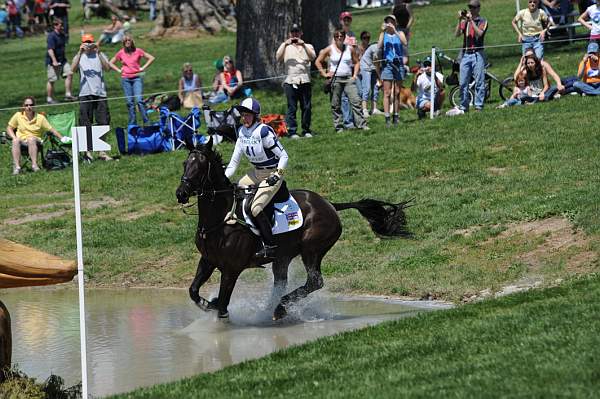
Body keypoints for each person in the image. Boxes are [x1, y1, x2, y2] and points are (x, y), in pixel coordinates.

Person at [224, 98, 289, 258]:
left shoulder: (264, 131)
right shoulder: (241, 132)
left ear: (255, 116)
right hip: (257, 172)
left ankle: (270, 246)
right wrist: (222, 178)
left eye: (247, 115)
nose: (244, 118)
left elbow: (284, 156)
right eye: (243, 115)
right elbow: (233, 163)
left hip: (272, 173)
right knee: (235, 191)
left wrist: (278, 174)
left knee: (256, 207)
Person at [315, 29, 369, 133]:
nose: (339, 38)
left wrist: (354, 75)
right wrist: (324, 73)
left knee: (356, 101)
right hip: (336, 79)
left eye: (341, 36)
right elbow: (318, 61)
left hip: (348, 78)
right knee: (336, 104)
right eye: (337, 36)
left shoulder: (349, 49)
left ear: (344, 37)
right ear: (334, 38)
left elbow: (357, 62)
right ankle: (338, 126)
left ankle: (361, 124)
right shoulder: (330, 49)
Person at [72, 33, 112, 161]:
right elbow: (72, 70)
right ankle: (88, 152)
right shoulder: (79, 57)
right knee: (85, 122)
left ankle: (102, 151)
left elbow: (107, 68)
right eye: (86, 42)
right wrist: (79, 52)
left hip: (100, 93)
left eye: (90, 42)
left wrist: (99, 52)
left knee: (103, 121)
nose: (88, 44)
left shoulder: (99, 54)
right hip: (85, 93)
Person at [6, 96, 68, 175]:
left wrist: (62, 138)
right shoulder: (18, 115)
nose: (29, 107)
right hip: (21, 141)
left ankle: (34, 165)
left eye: (31, 105)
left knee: (31, 139)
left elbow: (51, 129)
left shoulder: (40, 118)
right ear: (23, 106)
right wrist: (14, 137)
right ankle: (17, 167)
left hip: (35, 141)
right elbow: (9, 128)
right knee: (15, 140)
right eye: (26, 105)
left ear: (34, 106)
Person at [276, 23, 316, 139]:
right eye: (293, 32)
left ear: (301, 33)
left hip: (305, 80)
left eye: (297, 32)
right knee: (292, 107)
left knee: (306, 107)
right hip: (290, 81)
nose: (295, 34)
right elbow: (277, 57)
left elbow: (313, 56)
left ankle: (306, 129)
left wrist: (303, 45)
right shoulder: (286, 47)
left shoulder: (308, 46)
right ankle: (292, 131)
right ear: (290, 34)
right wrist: (285, 43)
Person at [109, 34, 155, 125]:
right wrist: (119, 70)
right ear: (123, 43)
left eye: (129, 40)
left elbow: (151, 58)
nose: (127, 42)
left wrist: (143, 68)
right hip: (126, 79)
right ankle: (133, 122)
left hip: (137, 78)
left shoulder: (138, 51)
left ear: (132, 41)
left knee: (139, 100)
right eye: (125, 41)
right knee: (129, 102)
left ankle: (146, 120)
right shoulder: (121, 52)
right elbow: (111, 62)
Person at [451, 0, 487, 114]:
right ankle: (464, 106)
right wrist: (460, 20)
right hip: (466, 54)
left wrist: (471, 21)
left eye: (474, 7)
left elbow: (479, 34)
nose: (471, 9)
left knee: (479, 81)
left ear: (478, 8)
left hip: (478, 53)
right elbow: (456, 34)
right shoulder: (465, 22)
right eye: (470, 7)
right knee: (463, 82)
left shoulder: (482, 21)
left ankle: (479, 106)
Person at [378, 14, 407, 126]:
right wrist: (381, 31)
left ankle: (396, 116)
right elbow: (379, 46)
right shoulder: (383, 35)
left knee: (397, 92)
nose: (389, 23)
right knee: (387, 92)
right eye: (387, 21)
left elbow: (404, 43)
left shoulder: (399, 33)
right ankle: (387, 118)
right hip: (388, 64)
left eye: (392, 21)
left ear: (395, 23)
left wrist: (394, 31)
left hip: (399, 64)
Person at [46, 18, 75, 104]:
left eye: (62, 24)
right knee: (52, 80)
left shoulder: (62, 35)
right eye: (60, 25)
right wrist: (54, 61)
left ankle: (68, 95)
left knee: (69, 73)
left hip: (63, 60)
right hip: (53, 62)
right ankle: (49, 99)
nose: (62, 26)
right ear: (55, 26)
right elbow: (50, 49)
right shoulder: (51, 36)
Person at [339, 11, 357, 128]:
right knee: (344, 97)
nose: (346, 21)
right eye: (344, 19)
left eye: (348, 19)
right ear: (341, 21)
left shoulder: (352, 34)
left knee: (355, 94)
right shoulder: (338, 34)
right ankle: (347, 121)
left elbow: (355, 50)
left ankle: (354, 119)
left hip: (352, 67)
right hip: (342, 68)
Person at [359, 31, 382, 117]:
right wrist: (380, 77)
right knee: (367, 88)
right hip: (366, 67)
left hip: (373, 68)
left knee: (375, 87)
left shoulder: (383, 48)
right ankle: (364, 110)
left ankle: (374, 109)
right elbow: (377, 64)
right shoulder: (375, 48)